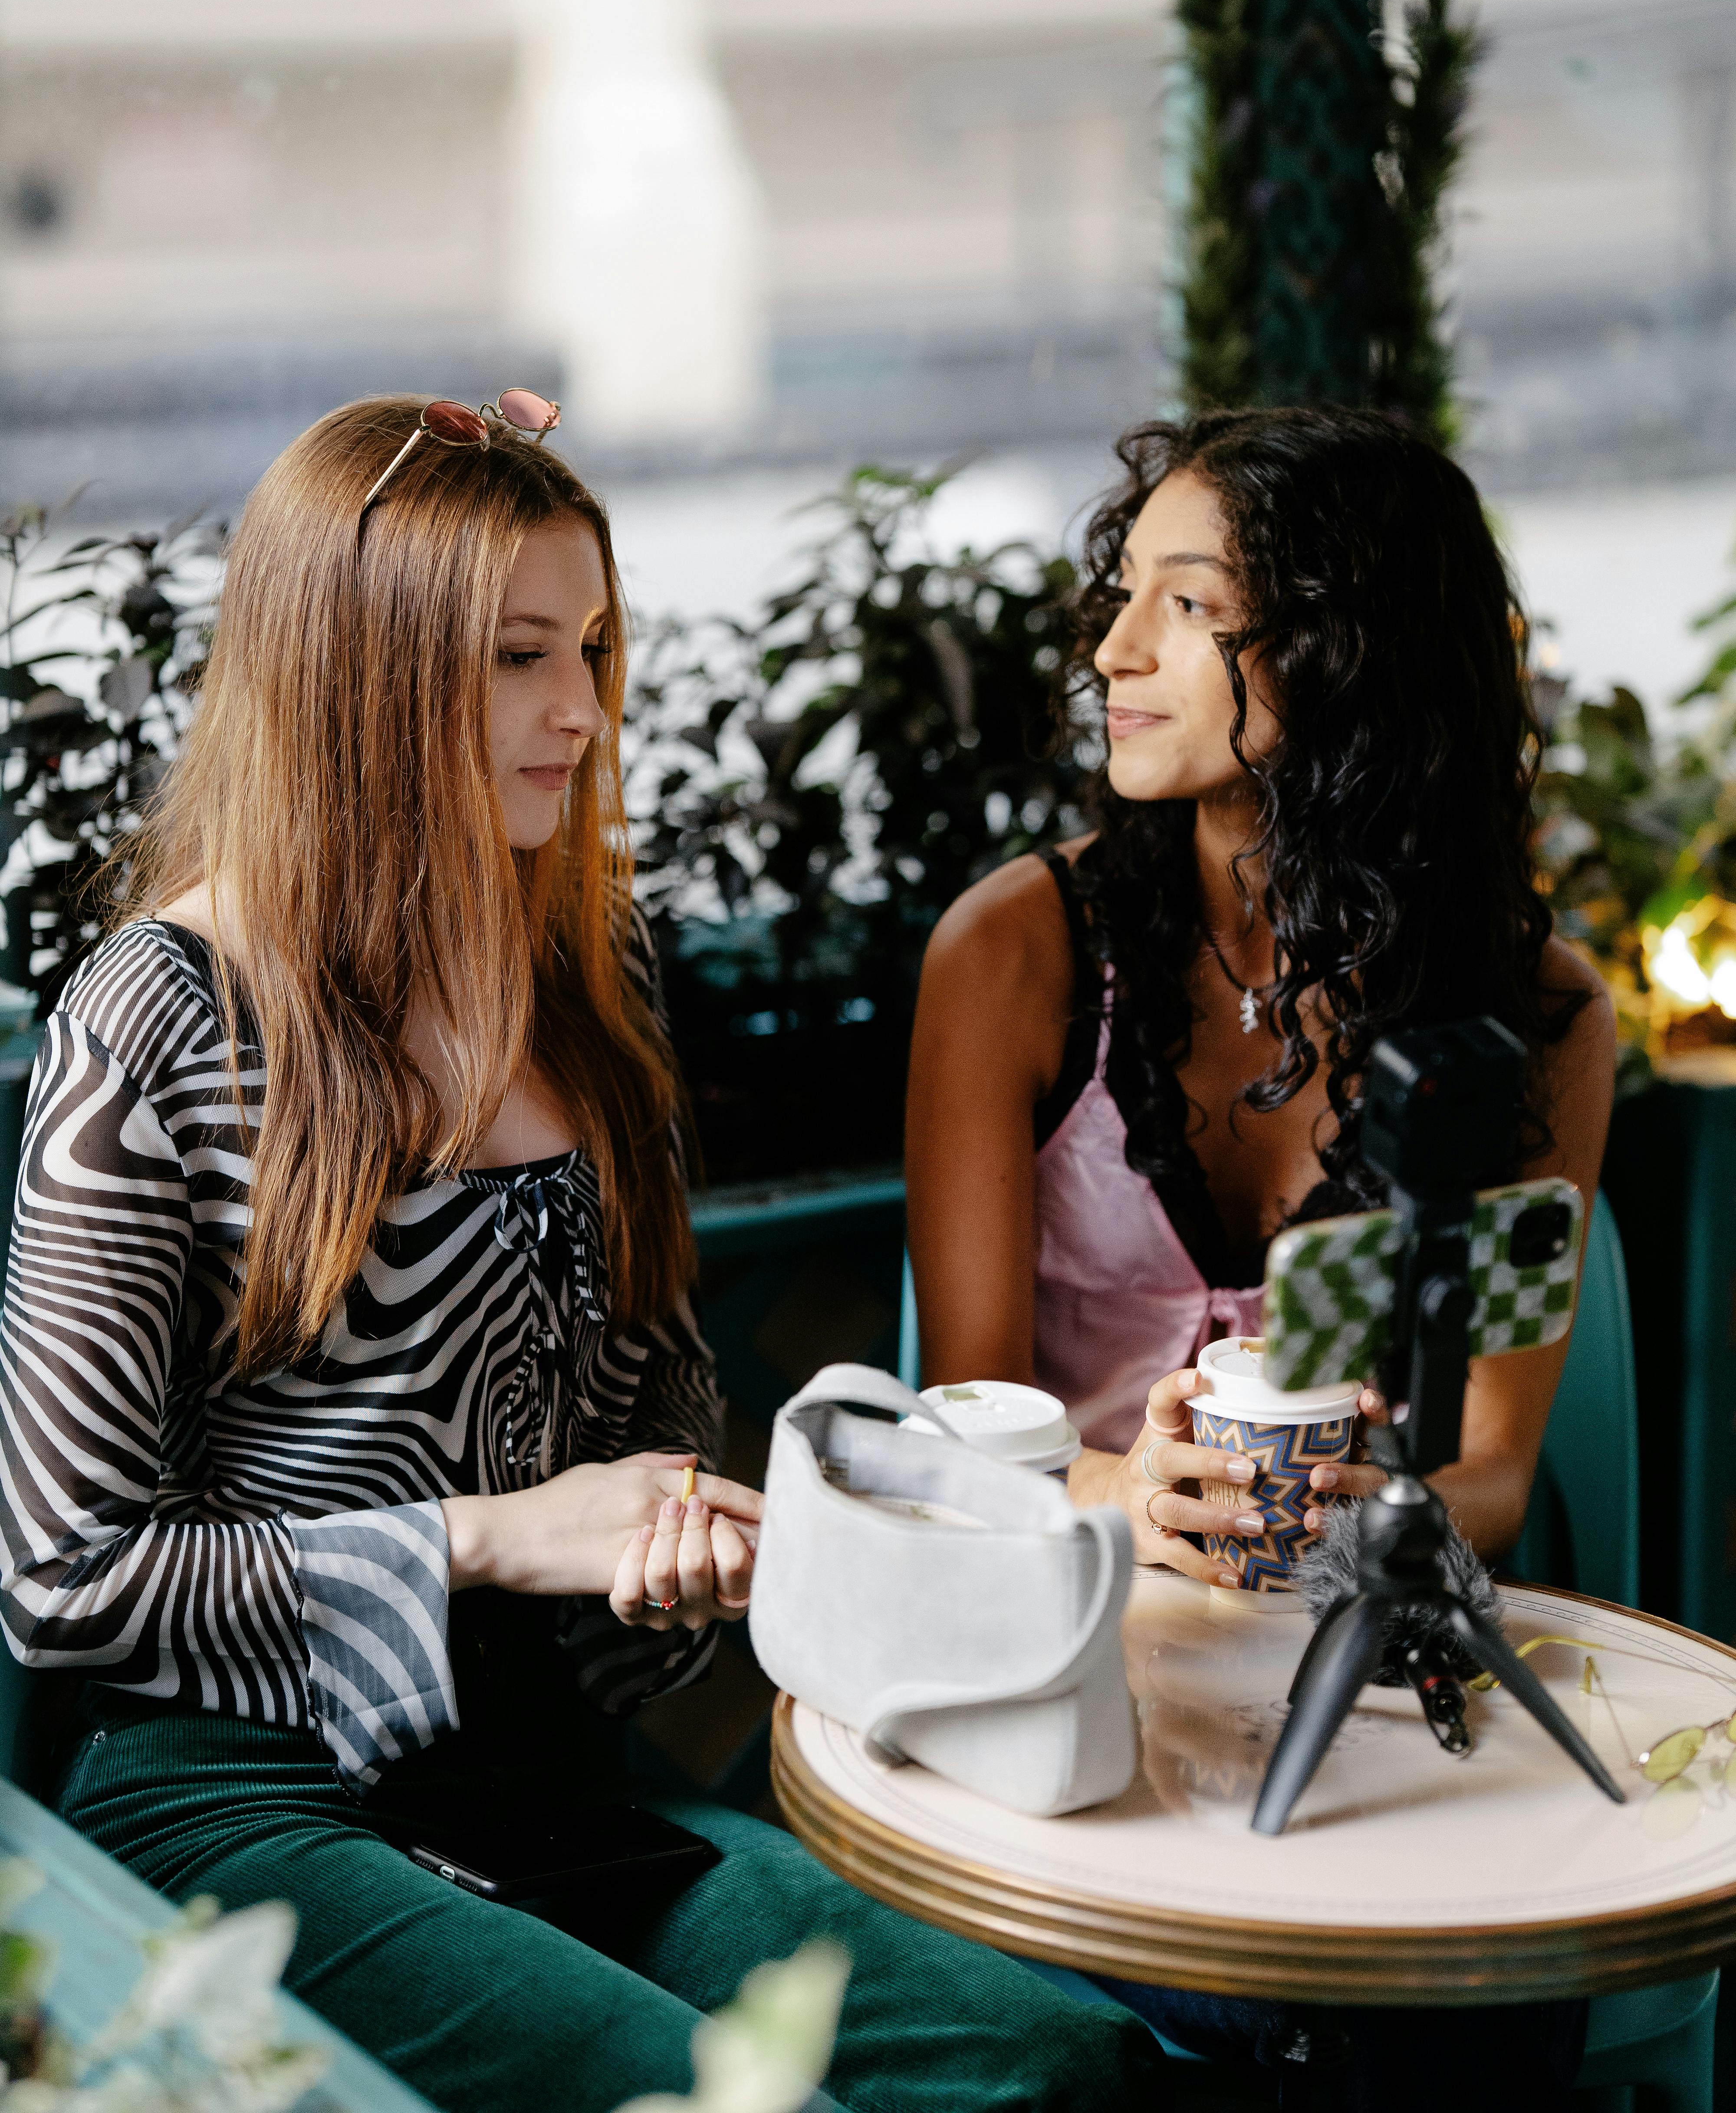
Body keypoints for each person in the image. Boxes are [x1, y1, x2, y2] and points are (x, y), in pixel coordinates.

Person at [1, 395, 1169, 2113]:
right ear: (361, 675)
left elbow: (644, 1447)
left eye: (597, 647)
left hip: (539, 1774)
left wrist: (667, 1549)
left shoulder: (579, 996)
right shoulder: (158, 1022)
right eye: (518, 657)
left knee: (1059, 2064)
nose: (583, 709)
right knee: (709, 2097)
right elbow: (64, 1581)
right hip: (232, 1801)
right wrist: (489, 1540)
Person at [906, 406, 1615, 2106]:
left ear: (1343, 644)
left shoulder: (1537, 1012)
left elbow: (1497, 1467)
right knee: (1276, 2031)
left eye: (1185, 605)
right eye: (1118, 592)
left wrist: (1373, 1497)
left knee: (1476, 1996)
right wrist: (1125, 1499)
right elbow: (962, 1425)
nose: (1113, 649)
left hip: (1383, 1667)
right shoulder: (1012, 952)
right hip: (1078, 1660)